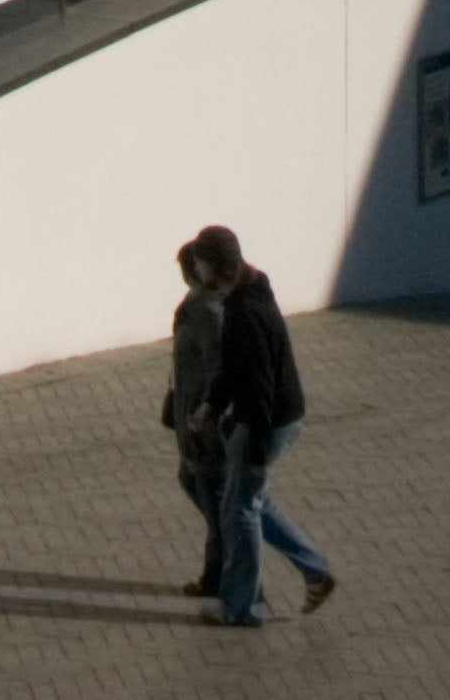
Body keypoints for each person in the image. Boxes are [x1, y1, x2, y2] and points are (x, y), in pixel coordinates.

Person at [184, 226, 336, 627]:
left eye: (199, 261)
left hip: (264, 424)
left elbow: (257, 387)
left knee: (240, 511)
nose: (195, 269)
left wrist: (253, 450)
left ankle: (242, 608)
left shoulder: (245, 313)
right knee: (253, 502)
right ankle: (315, 570)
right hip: (270, 419)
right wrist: (213, 407)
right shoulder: (247, 292)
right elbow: (234, 371)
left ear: (212, 266)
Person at [164, 241, 229, 598]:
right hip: (192, 418)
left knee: (212, 496)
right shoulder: (195, 306)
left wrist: (205, 410)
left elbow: (216, 365)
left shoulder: (207, 312)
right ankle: (227, 556)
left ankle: (216, 578)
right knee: (192, 480)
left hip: (203, 425)